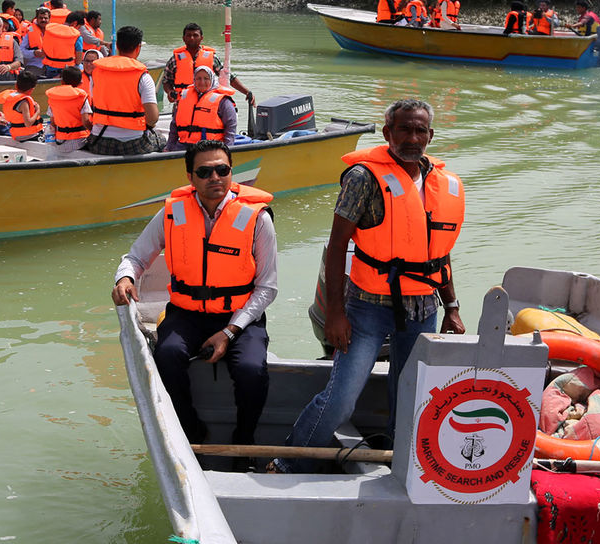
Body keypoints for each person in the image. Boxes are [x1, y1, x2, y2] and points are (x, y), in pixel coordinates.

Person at [274, 98, 465, 474]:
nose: (412, 137)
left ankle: (398, 466)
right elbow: (336, 246)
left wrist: (453, 307)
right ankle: (287, 462)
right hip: (367, 308)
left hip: (423, 309)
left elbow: (437, 253)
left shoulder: (440, 184)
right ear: (387, 132)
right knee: (341, 400)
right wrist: (335, 314)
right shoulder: (363, 178)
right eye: (404, 129)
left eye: (420, 130)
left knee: (409, 397)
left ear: (431, 135)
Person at [112, 140, 278, 460]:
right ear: (191, 178)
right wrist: (125, 277)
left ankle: (244, 441)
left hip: (240, 316)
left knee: (252, 370)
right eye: (204, 172)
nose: (214, 177)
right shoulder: (171, 213)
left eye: (222, 170)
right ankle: (190, 431)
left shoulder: (258, 219)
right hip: (186, 312)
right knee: (168, 354)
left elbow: (268, 288)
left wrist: (230, 331)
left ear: (232, 172)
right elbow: (136, 257)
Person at [85, 25, 161, 156]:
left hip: (99, 140)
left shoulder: (96, 73)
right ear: (138, 48)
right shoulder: (143, 77)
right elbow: (153, 118)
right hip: (133, 142)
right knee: (161, 139)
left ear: (117, 47)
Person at [161, 23, 254, 106]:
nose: (192, 38)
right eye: (188, 35)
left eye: (195, 35)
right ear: (183, 38)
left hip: (206, 105)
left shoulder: (211, 57)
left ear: (201, 38)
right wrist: (170, 92)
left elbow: (228, 77)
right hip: (182, 104)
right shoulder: (175, 59)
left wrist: (247, 92)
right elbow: (166, 81)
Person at [166, 65, 237, 151]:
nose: (202, 82)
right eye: (198, 78)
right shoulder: (184, 97)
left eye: (206, 78)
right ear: (194, 80)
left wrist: (227, 149)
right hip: (183, 146)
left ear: (212, 79)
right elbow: (174, 125)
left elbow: (231, 127)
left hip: (210, 147)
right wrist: (169, 147)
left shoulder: (223, 101)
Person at [45, 66, 92, 153]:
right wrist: (94, 132)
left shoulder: (53, 97)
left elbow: (52, 122)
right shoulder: (81, 97)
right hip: (79, 141)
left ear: (62, 81)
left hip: (60, 141)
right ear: (80, 82)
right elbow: (85, 122)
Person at [0, 71, 42, 142]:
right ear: (31, 89)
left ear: (16, 85)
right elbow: (28, 123)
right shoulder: (24, 103)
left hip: (16, 135)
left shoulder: (9, 97)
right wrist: (38, 111)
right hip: (29, 135)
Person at [41, 9, 84, 76]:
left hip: (50, 68)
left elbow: (43, 52)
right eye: (79, 27)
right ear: (75, 23)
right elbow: (78, 60)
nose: (78, 29)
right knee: (81, 67)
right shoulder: (77, 36)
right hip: (68, 70)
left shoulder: (50, 31)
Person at [20, 5, 51, 75]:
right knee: (27, 78)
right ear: (36, 19)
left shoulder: (54, 32)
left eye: (45, 18)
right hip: (35, 65)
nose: (43, 20)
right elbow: (21, 51)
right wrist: (34, 53)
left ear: (49, 19)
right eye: (41, 18)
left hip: (53, 65)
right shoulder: (30, 32)